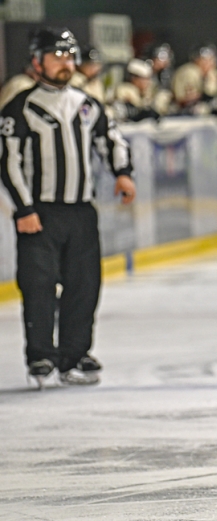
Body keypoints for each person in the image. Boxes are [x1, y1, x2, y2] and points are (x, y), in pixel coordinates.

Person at [0, 27, 135, 389]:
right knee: (39, 286)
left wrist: (122, 173)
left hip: (80, 211)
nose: (65, 63)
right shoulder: (22, 106)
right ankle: (41, 355)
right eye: (56, 55)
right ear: (36, 60)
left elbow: (112, 140)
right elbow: (8, 161)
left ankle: (75, 354)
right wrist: (23, 208)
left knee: (84, 285)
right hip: (39, 212)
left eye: (69, 56)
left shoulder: (87, 104)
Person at [171, 43, 217, 114]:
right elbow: (185, 99)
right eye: (206, 60)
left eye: (212, 60)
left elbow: (212, 93)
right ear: (198, 60)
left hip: (201, 105)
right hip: (181, 109)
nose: (211, 63)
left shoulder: (212, 73)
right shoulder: (190, 71)